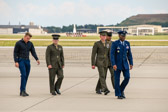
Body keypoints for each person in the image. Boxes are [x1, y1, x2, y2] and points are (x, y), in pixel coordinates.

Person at [14, 32, 40, 97]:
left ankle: (23, 90)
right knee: (23, 75)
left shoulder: (30, 44)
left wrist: (37, 59)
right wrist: (16, 61)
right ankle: (22, 90)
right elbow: (15, 52)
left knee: (26, 76)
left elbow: (33, 52)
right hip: (21, 60)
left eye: (29, 39)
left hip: (27, 61)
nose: (28, 39)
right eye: (27, 38)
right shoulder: (18, 43)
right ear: (25, 36)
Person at [110, 31, 133, 99]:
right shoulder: (115, 43)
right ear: (119, 36)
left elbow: (129, 54)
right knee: (117, 80)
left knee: (127, 77)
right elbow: (112, 55)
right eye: (122, 36)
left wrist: (131, 63)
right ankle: (118, 94)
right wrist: (113, 64)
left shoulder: (127, 43)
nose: (124, 37)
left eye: (124, 36)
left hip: (125, 64)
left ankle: (121, 89)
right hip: (117, 65)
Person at [91, 31, 110, 95]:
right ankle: (105, 89)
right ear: (100, 36)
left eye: (105, 36)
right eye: (102, 36)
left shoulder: (108, 43)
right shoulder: (97, 44)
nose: (104, 37)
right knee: (102, 75)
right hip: (99, 62)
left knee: (104, 76)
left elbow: (109, 54)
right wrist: (93, 64)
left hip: (106, 62)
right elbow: (93, 54)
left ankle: (97, 88)